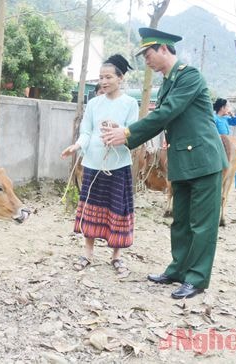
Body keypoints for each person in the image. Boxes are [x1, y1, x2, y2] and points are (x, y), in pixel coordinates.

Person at [102, 28, 228, 299]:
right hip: (182, 160)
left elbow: (167, 112)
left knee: (202, 223)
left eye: (148, 54)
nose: (146, 60)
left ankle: (196, 278)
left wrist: (126, 133)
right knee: (180, 220)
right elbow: (161, 117)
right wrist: (126, 136)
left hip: (204, 160)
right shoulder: (168, 82)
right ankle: (177, 270)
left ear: (163, 49)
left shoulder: (189, 76)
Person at [61, 54, 138, 277]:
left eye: (108, 77)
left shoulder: (130, 103)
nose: (103, 82)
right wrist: (76, 146)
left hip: (119, 164)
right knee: (90, 207)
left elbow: (133, 133)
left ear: (121, 78)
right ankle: (87, 253)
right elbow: (87, 131)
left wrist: (120, 131)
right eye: (101, 77)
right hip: (93, 163)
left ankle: (116, 256)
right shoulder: (94, 103)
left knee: (117, 209)